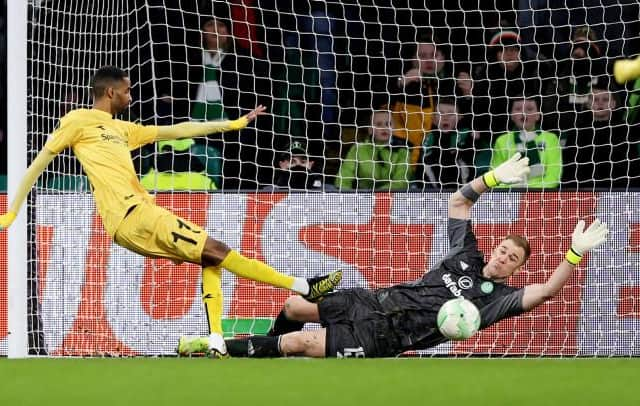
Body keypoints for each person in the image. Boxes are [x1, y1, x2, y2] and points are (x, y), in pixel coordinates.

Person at [0, 66, 342, 357]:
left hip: (137, 217)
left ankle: (216, 339)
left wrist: (235, 124)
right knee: (217, 249)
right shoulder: (77, 120)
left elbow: (178, 129)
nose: (131, 97)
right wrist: (13, 213)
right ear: (109, 92)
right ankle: (302, 286)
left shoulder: (124, 130)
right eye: (126, 91)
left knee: (211, 258)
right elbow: (39, 163)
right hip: (132, 215)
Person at [177, 153, 608, 358]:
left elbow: (548, 290)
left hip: (388, 337)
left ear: (518, 268)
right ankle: (268, 359)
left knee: (298, 342)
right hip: (375, 300)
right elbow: (459, 204)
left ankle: (218, 349)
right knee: (293, 305)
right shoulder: (467, 253)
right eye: (503, 250)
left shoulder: (497, 301)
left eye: (512, 258)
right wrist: (493, 177)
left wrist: (573, 253)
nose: (503, 259)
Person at [490, 96, 562, 189]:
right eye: (518, 109)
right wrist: (515, 192)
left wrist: (529, 192)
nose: (523, 113)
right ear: (511, 115)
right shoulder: (502, 141)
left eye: (529, 109)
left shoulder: (550, 138)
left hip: (541, 196)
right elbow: (495, 177)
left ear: (538, 115)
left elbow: (554, 177)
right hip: (510, 197)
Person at [335, 110, 410, 191]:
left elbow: (401, 182)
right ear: (370, 129)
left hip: (392, 198)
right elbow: (344, 177)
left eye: (388, 124)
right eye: (378, 124)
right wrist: (346, 198)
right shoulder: (358, 149)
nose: (384, 128)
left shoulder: (403, 151)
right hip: (363, 197)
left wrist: (375, 196)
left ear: (394, 128)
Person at [264, 139, 332, 191]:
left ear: (310, 164)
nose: (298, 165)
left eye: (303, 162)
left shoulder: (327, 191)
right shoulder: (268, 192)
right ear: (282, 165)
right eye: (292, 162)